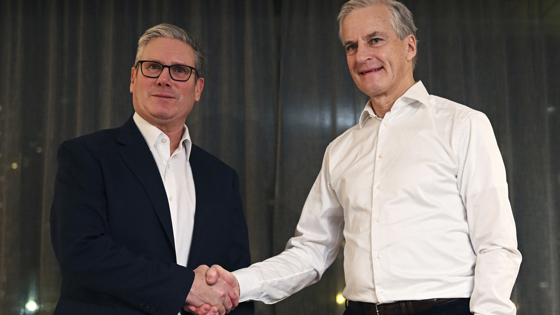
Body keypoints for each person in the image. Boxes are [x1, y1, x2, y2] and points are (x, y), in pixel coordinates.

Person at [190, 1, 522, 315]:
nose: (361, 55)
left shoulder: (463, 125)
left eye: (374, 40)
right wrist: (237, 283)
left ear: (410, 47)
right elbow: (311, 252)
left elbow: (496, 244)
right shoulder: (341, 150)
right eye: (351, 46)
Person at [50, 23, 253, 315]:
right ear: (133, 78)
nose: (164, 79)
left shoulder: (222, 177)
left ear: (198, 88)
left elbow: (235, 280)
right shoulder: (86, 155)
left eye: (180, 71)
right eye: (153, 67)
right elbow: (81, 252)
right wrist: (185, 286)